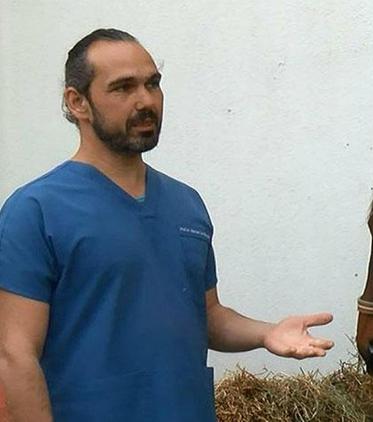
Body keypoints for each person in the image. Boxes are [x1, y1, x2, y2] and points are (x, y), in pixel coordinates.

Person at [0, 28, 334, 422]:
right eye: (123, 88)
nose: (145, 100)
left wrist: (266, 333)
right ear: (78, 103)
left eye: (152, 84)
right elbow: (14, 355)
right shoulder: (35, 210)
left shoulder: (186, 205)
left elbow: (208, 316)